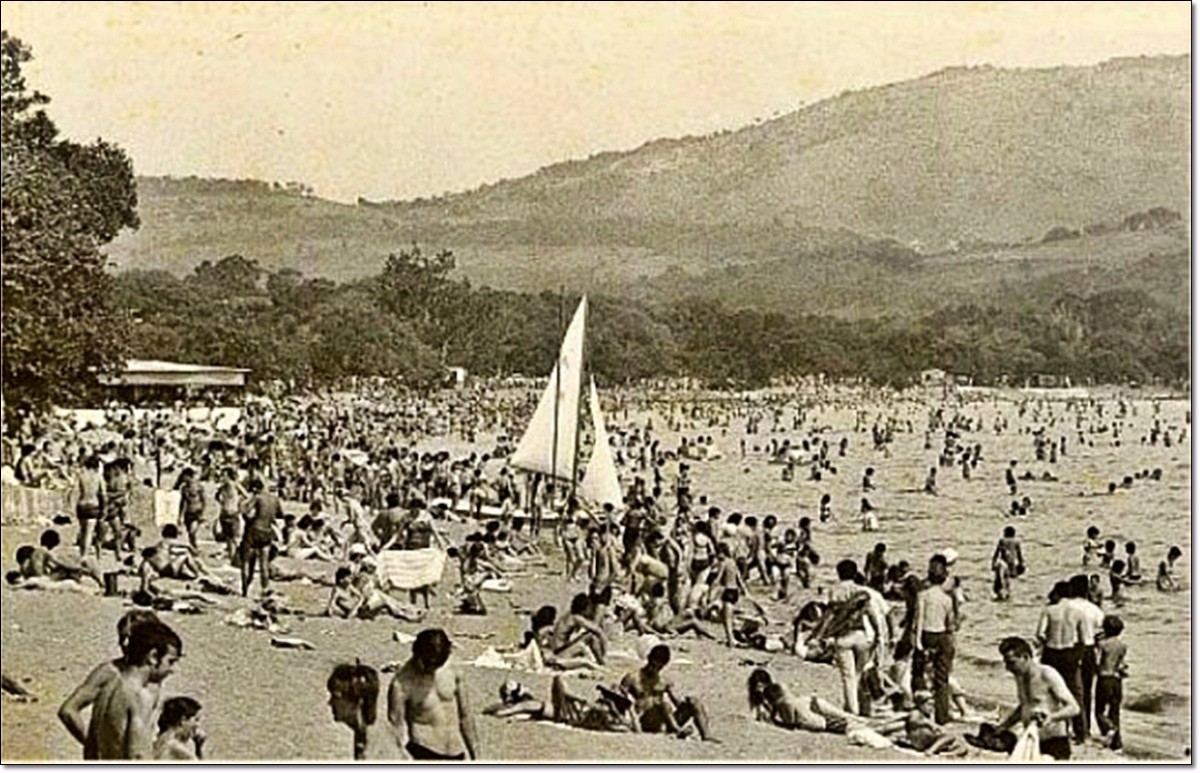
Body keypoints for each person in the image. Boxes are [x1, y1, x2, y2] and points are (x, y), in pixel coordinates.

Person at [58, 610, 160, 754]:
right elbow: (68, 710)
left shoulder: (154, 676)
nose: (123, 644)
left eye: (129, 638)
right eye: (121, 637)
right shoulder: (109, 672)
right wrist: (92, 744)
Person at [86, 618, 183, 759]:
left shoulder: (109, 687)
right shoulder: (139, 696)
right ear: (153, 657)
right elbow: (138, 755)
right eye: (170, 661)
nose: (172, 670)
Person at [387, 628, 478, 760]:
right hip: (423, 752)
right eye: (428, 664)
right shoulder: (402, 684)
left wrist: (477, 756)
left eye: (437, 665)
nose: (432, 669)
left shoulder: (454, 669)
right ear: (417, 654)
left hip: (456, 753)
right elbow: (395, 728)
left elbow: (466, 716)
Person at [997, 636, 1079, 761]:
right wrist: (1004, 726)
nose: (1008, 668)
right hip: (1032, 741)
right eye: (1006, 662)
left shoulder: (1047, 674)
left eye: (1011, 662)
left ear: (1025, 657)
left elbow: (1073, 707)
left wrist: (1052, 717)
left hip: (1054, 742)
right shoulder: (1020, 676)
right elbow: (1025, 705)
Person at [619, 644, 716, 742]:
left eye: (658, 667)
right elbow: (619, 701)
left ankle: (706, 735)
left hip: (665, 722)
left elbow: (677, 703)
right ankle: (677, 730)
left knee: (694, 702)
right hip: (645, 721)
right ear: (648, 658)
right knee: (663, 704)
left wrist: (687, 702)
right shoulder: (632, 678)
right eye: (652, 665)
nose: (654, 670)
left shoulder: (664, 681)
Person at [912, 554, 956, 725]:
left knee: (918, 674)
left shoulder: (923, 595)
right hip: (942, 636)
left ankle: (922, 708)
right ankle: (942, 715)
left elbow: (919, 619)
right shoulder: (947, 598)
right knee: (941, 678)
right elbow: (950, 624)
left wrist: (917, 642)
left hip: (926, 634)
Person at [328, 662, 401, 759]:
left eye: (336, 696)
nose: (330, 703)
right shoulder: (364, 733)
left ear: (359, 702)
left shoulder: (374, 745)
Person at [240, 478, 280, 597]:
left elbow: (245, 511)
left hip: (254, 531)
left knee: (246, 561)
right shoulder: (275, 499)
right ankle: (264, 589)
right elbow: (278, 515)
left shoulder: (257, 498)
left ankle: (245, 590)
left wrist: (245, 504)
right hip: (267, 531)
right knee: (264, 564)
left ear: (254, 489)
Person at [1094, 615, 1128, 751]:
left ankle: (1108, 727)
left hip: (1105, 678)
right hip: (1117, 679)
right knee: (1115, 711)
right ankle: (1117, 743)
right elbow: (1121, 664)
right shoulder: (1122, 645)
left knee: (1099, 711)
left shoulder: (1103, 645)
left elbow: (1097, 662)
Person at [74, 455, 107, 559]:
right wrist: (104, 508)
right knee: (89, 532)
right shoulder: (98, 477)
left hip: (81, 504)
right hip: (93, 505)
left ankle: (81, 553)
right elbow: (103, 494)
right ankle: (85, 555)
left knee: (82, 531)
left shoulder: (81, 476)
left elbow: (74, 491)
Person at [991, 526, 1024, 601]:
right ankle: (1007, 594)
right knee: (1008, 580)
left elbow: (997, 553)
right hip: (1012, 563)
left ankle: (1000, 594)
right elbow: (1019, 554)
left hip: (1003, 562)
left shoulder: (1002, 541)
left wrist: (993, 563)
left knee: (1000, 579)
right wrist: (1021, 563)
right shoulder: (1016, 542)